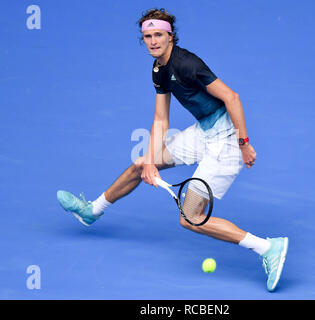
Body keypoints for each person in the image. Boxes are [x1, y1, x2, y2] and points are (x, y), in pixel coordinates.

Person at [57, 8, 288, 292]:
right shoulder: (158, 69)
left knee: (190, 218)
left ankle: (267, 247)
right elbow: (160, 119)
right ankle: (92, 210)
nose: (152, 41)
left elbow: (232, 97)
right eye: (147, 36)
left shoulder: (187, 64)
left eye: (158, 35)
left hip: (226, 141)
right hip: (203, 131)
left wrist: (244, 144)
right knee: (141, 163)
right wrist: (151, 161)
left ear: (170, 36)